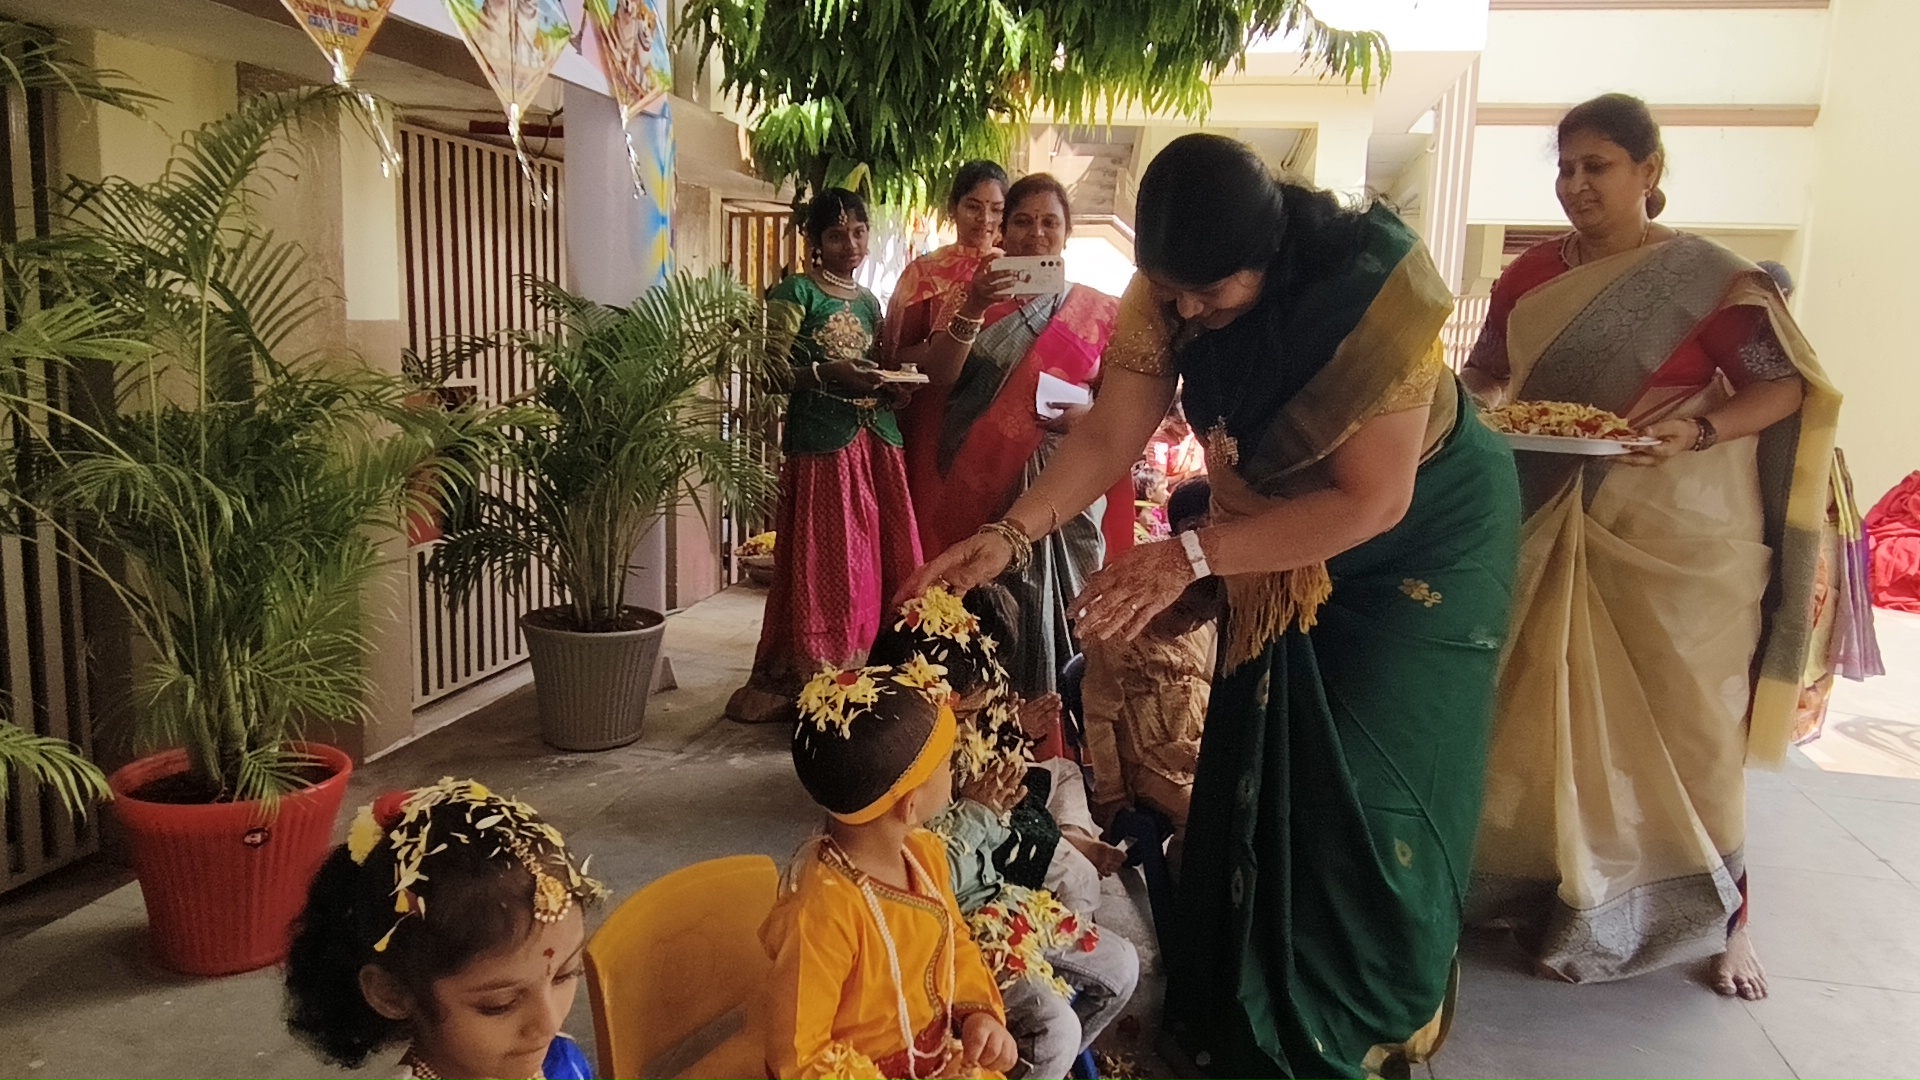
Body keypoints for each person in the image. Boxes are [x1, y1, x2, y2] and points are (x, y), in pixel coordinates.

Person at [904, 133, 1522, 1080]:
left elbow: (1372, 501)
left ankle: (1364, 1016)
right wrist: (1010, 535)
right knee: (1268, 755)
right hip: (1273, 531)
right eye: (1173, 291)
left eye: (1212, 293)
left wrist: (1193, 555)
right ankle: (1250, 999)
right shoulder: (1169, 289)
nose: (1189, 311)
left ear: (1269, 256)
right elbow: (1110, 431)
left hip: (1420, 542)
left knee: (1370, 782)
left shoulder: (1367, 306)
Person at [1461, 93, 1840, 1002]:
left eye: (1596, 166)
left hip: (1681, 531)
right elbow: (1487, 372)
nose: (1575, 185)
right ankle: (1559, 897)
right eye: (1564, 167)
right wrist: (1470, 408)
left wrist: (1699, 432)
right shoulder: (1529, 275)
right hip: (1548, 509)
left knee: (1692, 730)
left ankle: (1726, 922)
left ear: (1648, 172)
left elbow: (1783, 389)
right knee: (1539, 714)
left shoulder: (1705, 279)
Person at [874, 589, 1139, 1080]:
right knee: (1055, 1027)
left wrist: (1001, 792)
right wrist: (979, 812)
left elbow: (986, 850)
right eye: (966, 715)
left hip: (998, 901)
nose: (975, 727)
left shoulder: (954, 747)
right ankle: (1030, 1055)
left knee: (1123, 965)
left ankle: (1029, 1065)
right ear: (925, 700)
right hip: (947, 933)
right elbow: (924, 886)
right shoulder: (896, 774)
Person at [892, 170, 1132, 696]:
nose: (1036, 234)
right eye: (1022, 221)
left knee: (1068, 606)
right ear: (1004, 231)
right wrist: (975, 305)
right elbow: (940, 376)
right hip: (977, 482)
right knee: (984, 605)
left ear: (1067, 232)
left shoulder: (1100, 309)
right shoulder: (969, 297)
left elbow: (1121, 405)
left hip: (1065, 486)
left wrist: (1083, 414)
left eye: (1050, 222)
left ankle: (1060, 718)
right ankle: (985, 720)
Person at [764, 663, 1019, 1080]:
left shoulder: (924, 855)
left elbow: (954, 939)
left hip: (933, 1059)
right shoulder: (823, 913)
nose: (954, 772)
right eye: (947, 764)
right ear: (910, 805)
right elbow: (798, 1056)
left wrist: (978, 1015)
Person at [726, 188, 922, 725]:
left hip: (876, 443)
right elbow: (768, 374)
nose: (850, 244)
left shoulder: (870, 301)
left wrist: (894, 389)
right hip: (823, 447)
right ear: (814, 241)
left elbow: (875, 365)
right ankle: (826, 682)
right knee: (831, 564)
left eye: (859, 232)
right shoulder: (796, 293)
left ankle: (881, 672)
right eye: (836, 235)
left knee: (881, 561)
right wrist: (825, 374)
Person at [285, 777, 608, 1080]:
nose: (549, 1023)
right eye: (500, 1004)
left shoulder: (560, 1062)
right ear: (392, 993)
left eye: (565, 974)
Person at [1081, 477, 1216, 834]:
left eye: (1201, 619)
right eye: (1184, 612)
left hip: (1194, 749)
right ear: (1162, 590)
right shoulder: (1117, 632)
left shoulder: (1202, 629)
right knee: (1201, 815)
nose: (1189, 626)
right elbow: (1099, 716)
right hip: (1147, 763)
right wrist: (1110, 793)